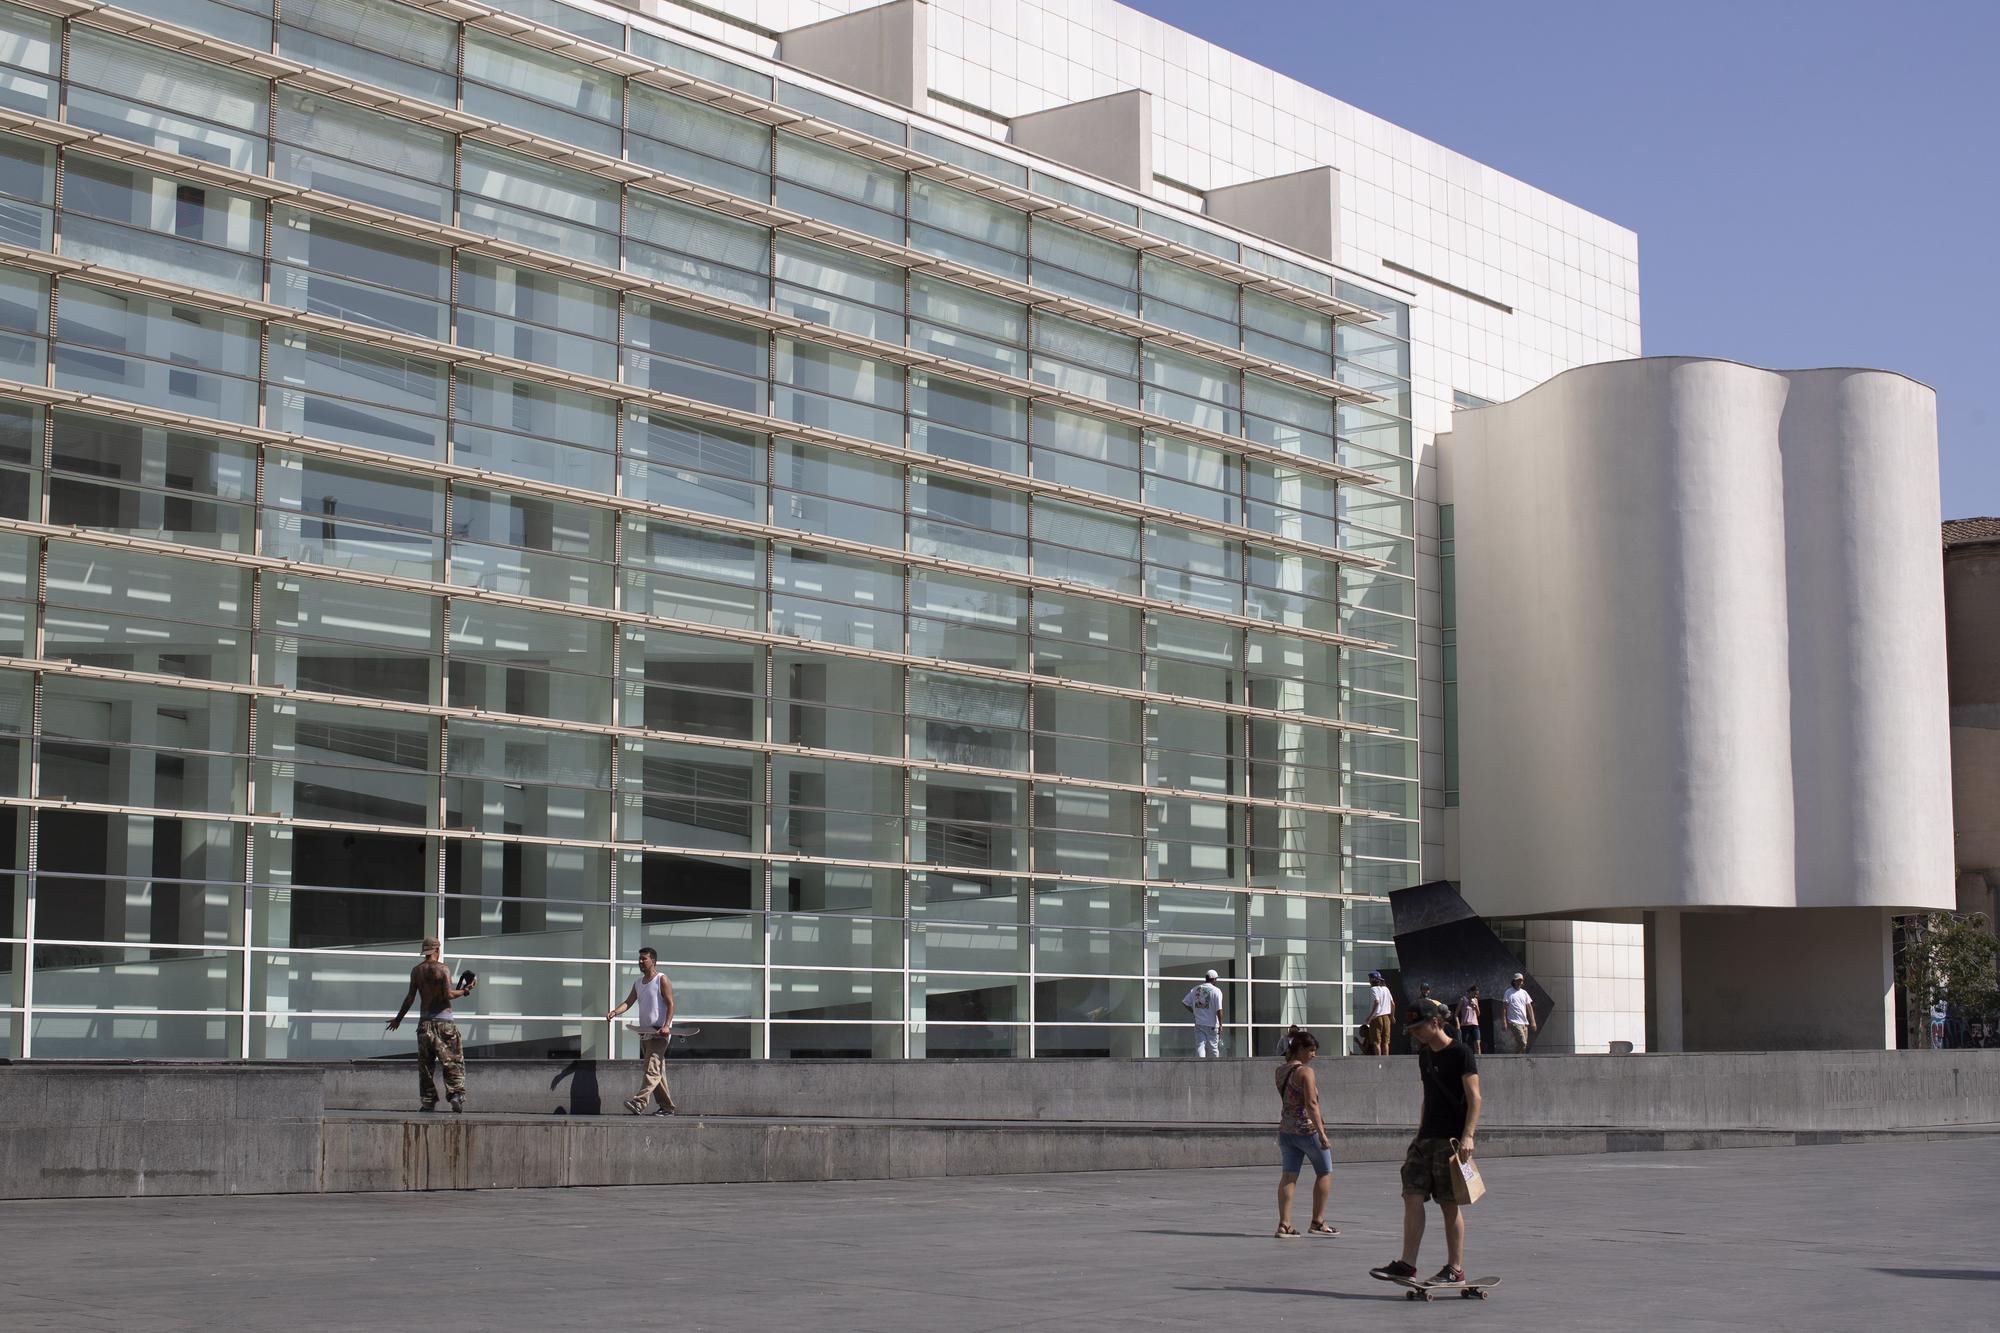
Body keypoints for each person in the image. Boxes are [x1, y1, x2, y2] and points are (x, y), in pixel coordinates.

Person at [1369, 997, 1483, 1288]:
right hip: (1425, 1138)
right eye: (1412, 1028)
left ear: (1436, 1022)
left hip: (1451, 1140)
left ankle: (1455, 1269)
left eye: (1419, 1027)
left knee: (1449, 1203)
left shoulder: (1461, 1052)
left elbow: (1475, 1098)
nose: (1415, 1033)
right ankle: (1407, 1265)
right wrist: (1419, 1133)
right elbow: (1428, 1096)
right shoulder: (1425, 1055)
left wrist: (1468, 1135)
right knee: (1412, 1194)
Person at [387, 937, 476, 1113]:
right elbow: (448, 995)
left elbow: (410, 997)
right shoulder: (443, 969)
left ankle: (428, 1102)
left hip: (425, 1024)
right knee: (452, 1062)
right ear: (437, 950)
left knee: (426, 1066)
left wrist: (398, 1019)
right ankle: (456, 1095)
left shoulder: (416, 971)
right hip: (445, 1023)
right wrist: (466, 990)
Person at [1273, 1027, 1338, 1239]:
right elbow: (1311, 1104)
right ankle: (1318, 1221)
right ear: (1300, 1049)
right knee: (1325, 1171)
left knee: (1289, 1176)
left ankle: (1284, 1224)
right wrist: (1322, 1134)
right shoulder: (1306, 1072)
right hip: (1307, 1130)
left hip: (1286, 1130)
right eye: (1311, 1050)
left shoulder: (1280, 1071)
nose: (1314, 1055)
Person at [606, 946, 678, 1116]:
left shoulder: (662, 979)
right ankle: (667, 1108)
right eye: (639, 959)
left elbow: (670, 1004)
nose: (640, 962)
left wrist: (667, 1025)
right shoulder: (638, 983)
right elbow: (628, 1002)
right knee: (657, 1072)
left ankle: (639, 1103)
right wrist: (615, 1012)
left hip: (659, 1033)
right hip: (645, 1033)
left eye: (644, 959)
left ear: (653, 961)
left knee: (651, 1069)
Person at [1182, 969, 1225, 1057]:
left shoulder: (1196, 989)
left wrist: (1194, 1012)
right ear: (1213, 979)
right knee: (1213, 1047)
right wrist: (1221, 1024)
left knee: (1200, 1046)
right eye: (1216, 979)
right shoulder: (1216, 991)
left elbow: (1185, 1002)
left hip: (1199, 1024)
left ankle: (1200, 1066)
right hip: (1212, 1025)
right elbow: (1219, 1009)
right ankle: (1216, 1067)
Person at [1502, 973, 1538, 1053]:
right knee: (1523, 1043)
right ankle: (1515, 1058)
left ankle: (1518, 1061)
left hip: (1524, 1022)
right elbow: (1504, 1008)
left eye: (1521, 980)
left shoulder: (1524, 993)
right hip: (1514, 1021)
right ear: (1514, 981)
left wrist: (1533, 1022)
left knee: (1523, 1046)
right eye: (1518, 980)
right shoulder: (1508, 992)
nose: (1520, 982)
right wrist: (1504, 1021)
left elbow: (1529, 1008)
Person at [1365, 970, 1395, 1056]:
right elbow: (1393, 1004)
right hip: (1387, 1017)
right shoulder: (1386, 989)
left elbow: (1377, 1002)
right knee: (1386, 1042)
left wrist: (1370, 1017)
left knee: (1376, 1042)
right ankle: (1386, 1060)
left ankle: (1379, 1061)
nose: (1369, 980)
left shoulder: (1373, 989)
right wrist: (1392, 1016)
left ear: (1373, 979)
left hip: (1376, 1018)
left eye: (1369, 978)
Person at [1457, 986, 1484, 1055]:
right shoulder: (1463, 999)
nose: (1476, 996)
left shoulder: (1475, 1000)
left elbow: (1478, 1014)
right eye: (1475, 994)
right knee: (1465, 1044)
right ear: (1470, 992)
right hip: (1465, 1025)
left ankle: (1479, 1060)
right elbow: (1456, 1014)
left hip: (1475, 1024)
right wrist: (1458, 1024)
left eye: (1477, 994)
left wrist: (1476, 1006)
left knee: (1477, 1043)